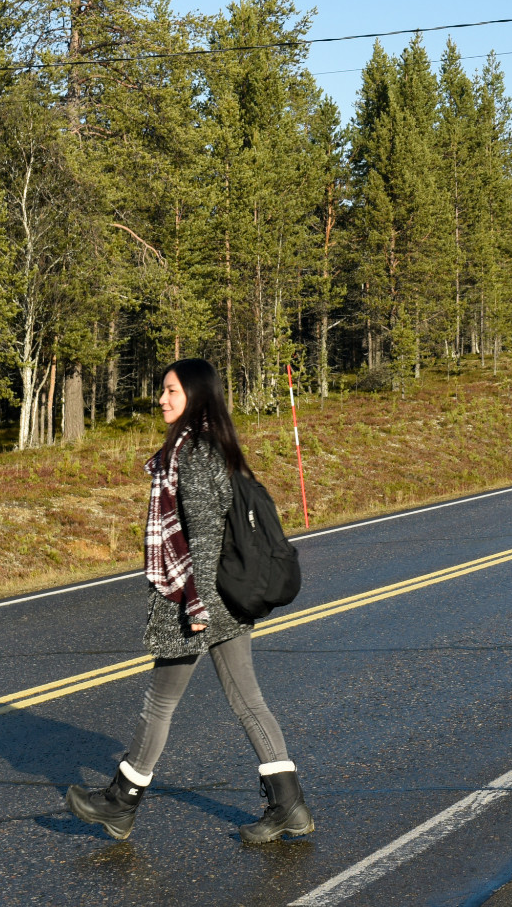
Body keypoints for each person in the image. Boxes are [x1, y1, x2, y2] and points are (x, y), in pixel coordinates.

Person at [65, 358, 314, 845]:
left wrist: (196, 607)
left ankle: (121, 803)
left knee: (160, 703)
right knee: (245, 701)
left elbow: (201, 537)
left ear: (195, 395)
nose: (162, 398)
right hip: (215, 598)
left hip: (198, 598)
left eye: (172, 390)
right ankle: (290, 806)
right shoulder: (198, 446)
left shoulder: (194, 452)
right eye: (163, 390)